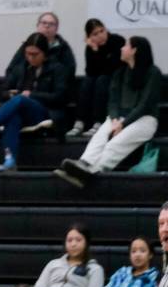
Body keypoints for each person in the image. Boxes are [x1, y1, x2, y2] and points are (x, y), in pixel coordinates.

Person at [56, 36, 161, 188]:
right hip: (120, 118)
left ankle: (91, 171)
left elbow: (144, 105)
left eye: (126, 46)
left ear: (134, 50)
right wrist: (115, 119)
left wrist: (123, 124)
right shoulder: (120, 73)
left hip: (145, 119)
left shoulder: (153, 73)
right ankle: (84, 163)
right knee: (99, 136)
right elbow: (113, 100)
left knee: (115, 144)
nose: (122, 48)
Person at [0, 33, 70, 171]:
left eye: (35, 54)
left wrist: (32, 95)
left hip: (45, 113)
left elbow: (60, 97)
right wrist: (9, 94)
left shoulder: (58, 69)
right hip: (22, 111)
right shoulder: (21, 68)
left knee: (21, 99)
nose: (30, 57)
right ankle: (10, 160)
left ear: (45, 53)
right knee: (13, 116)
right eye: (27, 53)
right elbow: (4, 92)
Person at [67, 18, 125, 138]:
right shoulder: (90, 48)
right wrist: (94, 50)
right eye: (95, 34)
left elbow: (111, 67)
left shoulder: (117, 41)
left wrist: (98, 52)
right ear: (89, 37)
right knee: (87, 81)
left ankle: (99, 122)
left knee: (101, 80)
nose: (100, 35)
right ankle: (80, 122)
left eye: (102, 31)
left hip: (117, 78)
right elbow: (90, 71)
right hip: (100, 79)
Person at [6, 12, 77, 80]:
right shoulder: (27, 46)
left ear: (56, 28)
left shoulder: (63, 47)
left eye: (51, 24)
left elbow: (69, 72)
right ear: (37, 26)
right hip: (26, 87)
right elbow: (11, 69)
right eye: (44, 23)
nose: (47, 26)